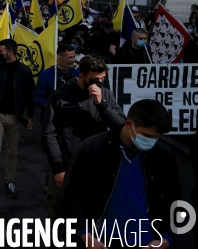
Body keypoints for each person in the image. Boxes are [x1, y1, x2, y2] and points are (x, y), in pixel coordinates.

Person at [62, 99, 180, 248]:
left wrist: (167, 238)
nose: (152, 141)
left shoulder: (163, 155)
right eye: (147, 136)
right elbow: (71, 193)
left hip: (147, 242)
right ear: (129, 125)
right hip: (102, 240)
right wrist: (85, 234)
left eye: (157, 137)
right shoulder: (93, 148)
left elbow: (174, 199)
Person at [42, 55, 125, 219]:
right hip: (67, 165)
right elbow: (49, 133)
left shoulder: (106, 95)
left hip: (95, 166)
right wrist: (58, 168)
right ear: (82, 76)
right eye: (95, 79)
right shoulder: (60, 96)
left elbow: (121, 127)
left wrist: (102, 104)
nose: (99, 83)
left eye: (102, 78)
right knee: (59, 212)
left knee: (91, 212)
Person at [0, 39, 35, 198]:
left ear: (10, 53)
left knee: (13, 152)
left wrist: (30, 115)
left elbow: (29, 95)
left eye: (1, 51)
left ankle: (9, 181)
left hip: (16, 118)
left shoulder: (24, 71)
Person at [33, 44, 80, 120]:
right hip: (52, 118)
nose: (73, 60)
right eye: (69, 57)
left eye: (74, 57)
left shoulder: (77, 74)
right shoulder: (46, 75)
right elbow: (37, 96)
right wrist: (48, 105)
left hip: (72, 117)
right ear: (60, 58)